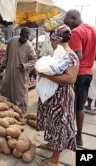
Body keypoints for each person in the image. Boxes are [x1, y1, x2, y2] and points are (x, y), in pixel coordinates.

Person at [36, 24, 79, 166]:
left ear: (56, 40)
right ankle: (51, 145)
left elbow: (70, 79)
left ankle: (55, 159)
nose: (51, 44)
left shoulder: (70, 56)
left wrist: (46, 76)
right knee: (51, 122)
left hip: (62, 98)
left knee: (59, 125)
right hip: (54, 97)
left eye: (52, 41)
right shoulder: (60, 54)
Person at [64, 9, 96, 146]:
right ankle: (79, 137)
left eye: (68, 22)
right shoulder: (93, 31)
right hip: (88, 73)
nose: (67, 26)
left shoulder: (76, 32)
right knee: (80, 107)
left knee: (70, 107)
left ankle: (68, 137)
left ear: (74, 18)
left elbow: (78, 56)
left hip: (77, 74)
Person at [0, 27, 37, 113]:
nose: (25, 39)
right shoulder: (12, 40)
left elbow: (34, 60)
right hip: (9, 70)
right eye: (23, 37)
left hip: (20, 73)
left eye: (27, 38)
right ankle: (6, 106)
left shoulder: (29, 46)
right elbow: (7, 53)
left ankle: (20, 110)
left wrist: (24, 65)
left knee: (20, 92)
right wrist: (3, 63)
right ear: (20, 35)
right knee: (6, 88)